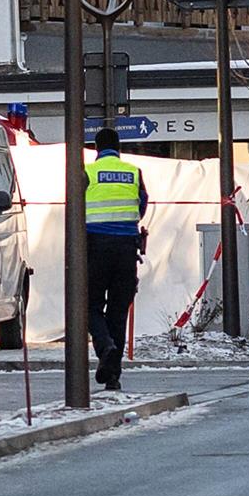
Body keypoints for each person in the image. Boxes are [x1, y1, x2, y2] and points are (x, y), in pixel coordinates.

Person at [84, 128, 148, 391]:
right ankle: (112, 374)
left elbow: (74, 208)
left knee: (90, 305)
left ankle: (105, 347)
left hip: (95, 248)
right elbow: (142, 205)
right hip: (126, 250)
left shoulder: (87, 173)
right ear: (118, 147)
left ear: (97, 148)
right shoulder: (133, 172)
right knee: (118, 312)